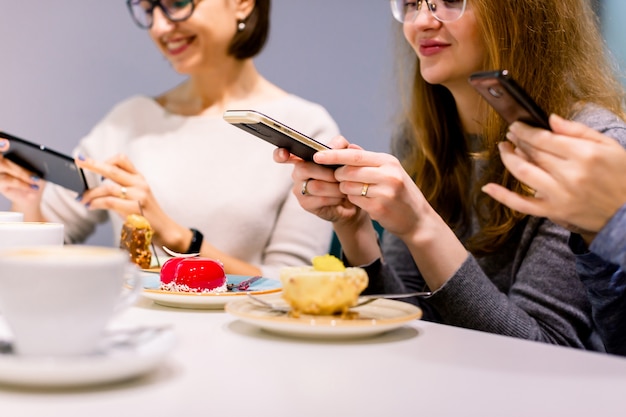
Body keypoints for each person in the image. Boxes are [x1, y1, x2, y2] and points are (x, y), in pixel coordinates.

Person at [274, 0, 626, 349]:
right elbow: (409, 323)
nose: (422, 21)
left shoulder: (590, 149)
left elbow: (543, 352)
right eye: (412, 4)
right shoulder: (420, 140)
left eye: (451, 2)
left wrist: (422, 227)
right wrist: (354, 229)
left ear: (520, 13)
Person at [0, 0, 339, 278]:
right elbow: (46, 254)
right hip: (133, 337)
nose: (159, 27)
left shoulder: (305, 127)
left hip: (244, 342)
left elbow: (293, 283)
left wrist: (180, 239)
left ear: (241, 4)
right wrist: (27, 201)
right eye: (149, 10)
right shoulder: (130, 120)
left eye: (177, 3)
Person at [482, 115, 626, 355]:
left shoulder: (603, 137)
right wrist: (596, 235)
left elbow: (542, 346)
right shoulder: (427, 136)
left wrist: (425, 231)